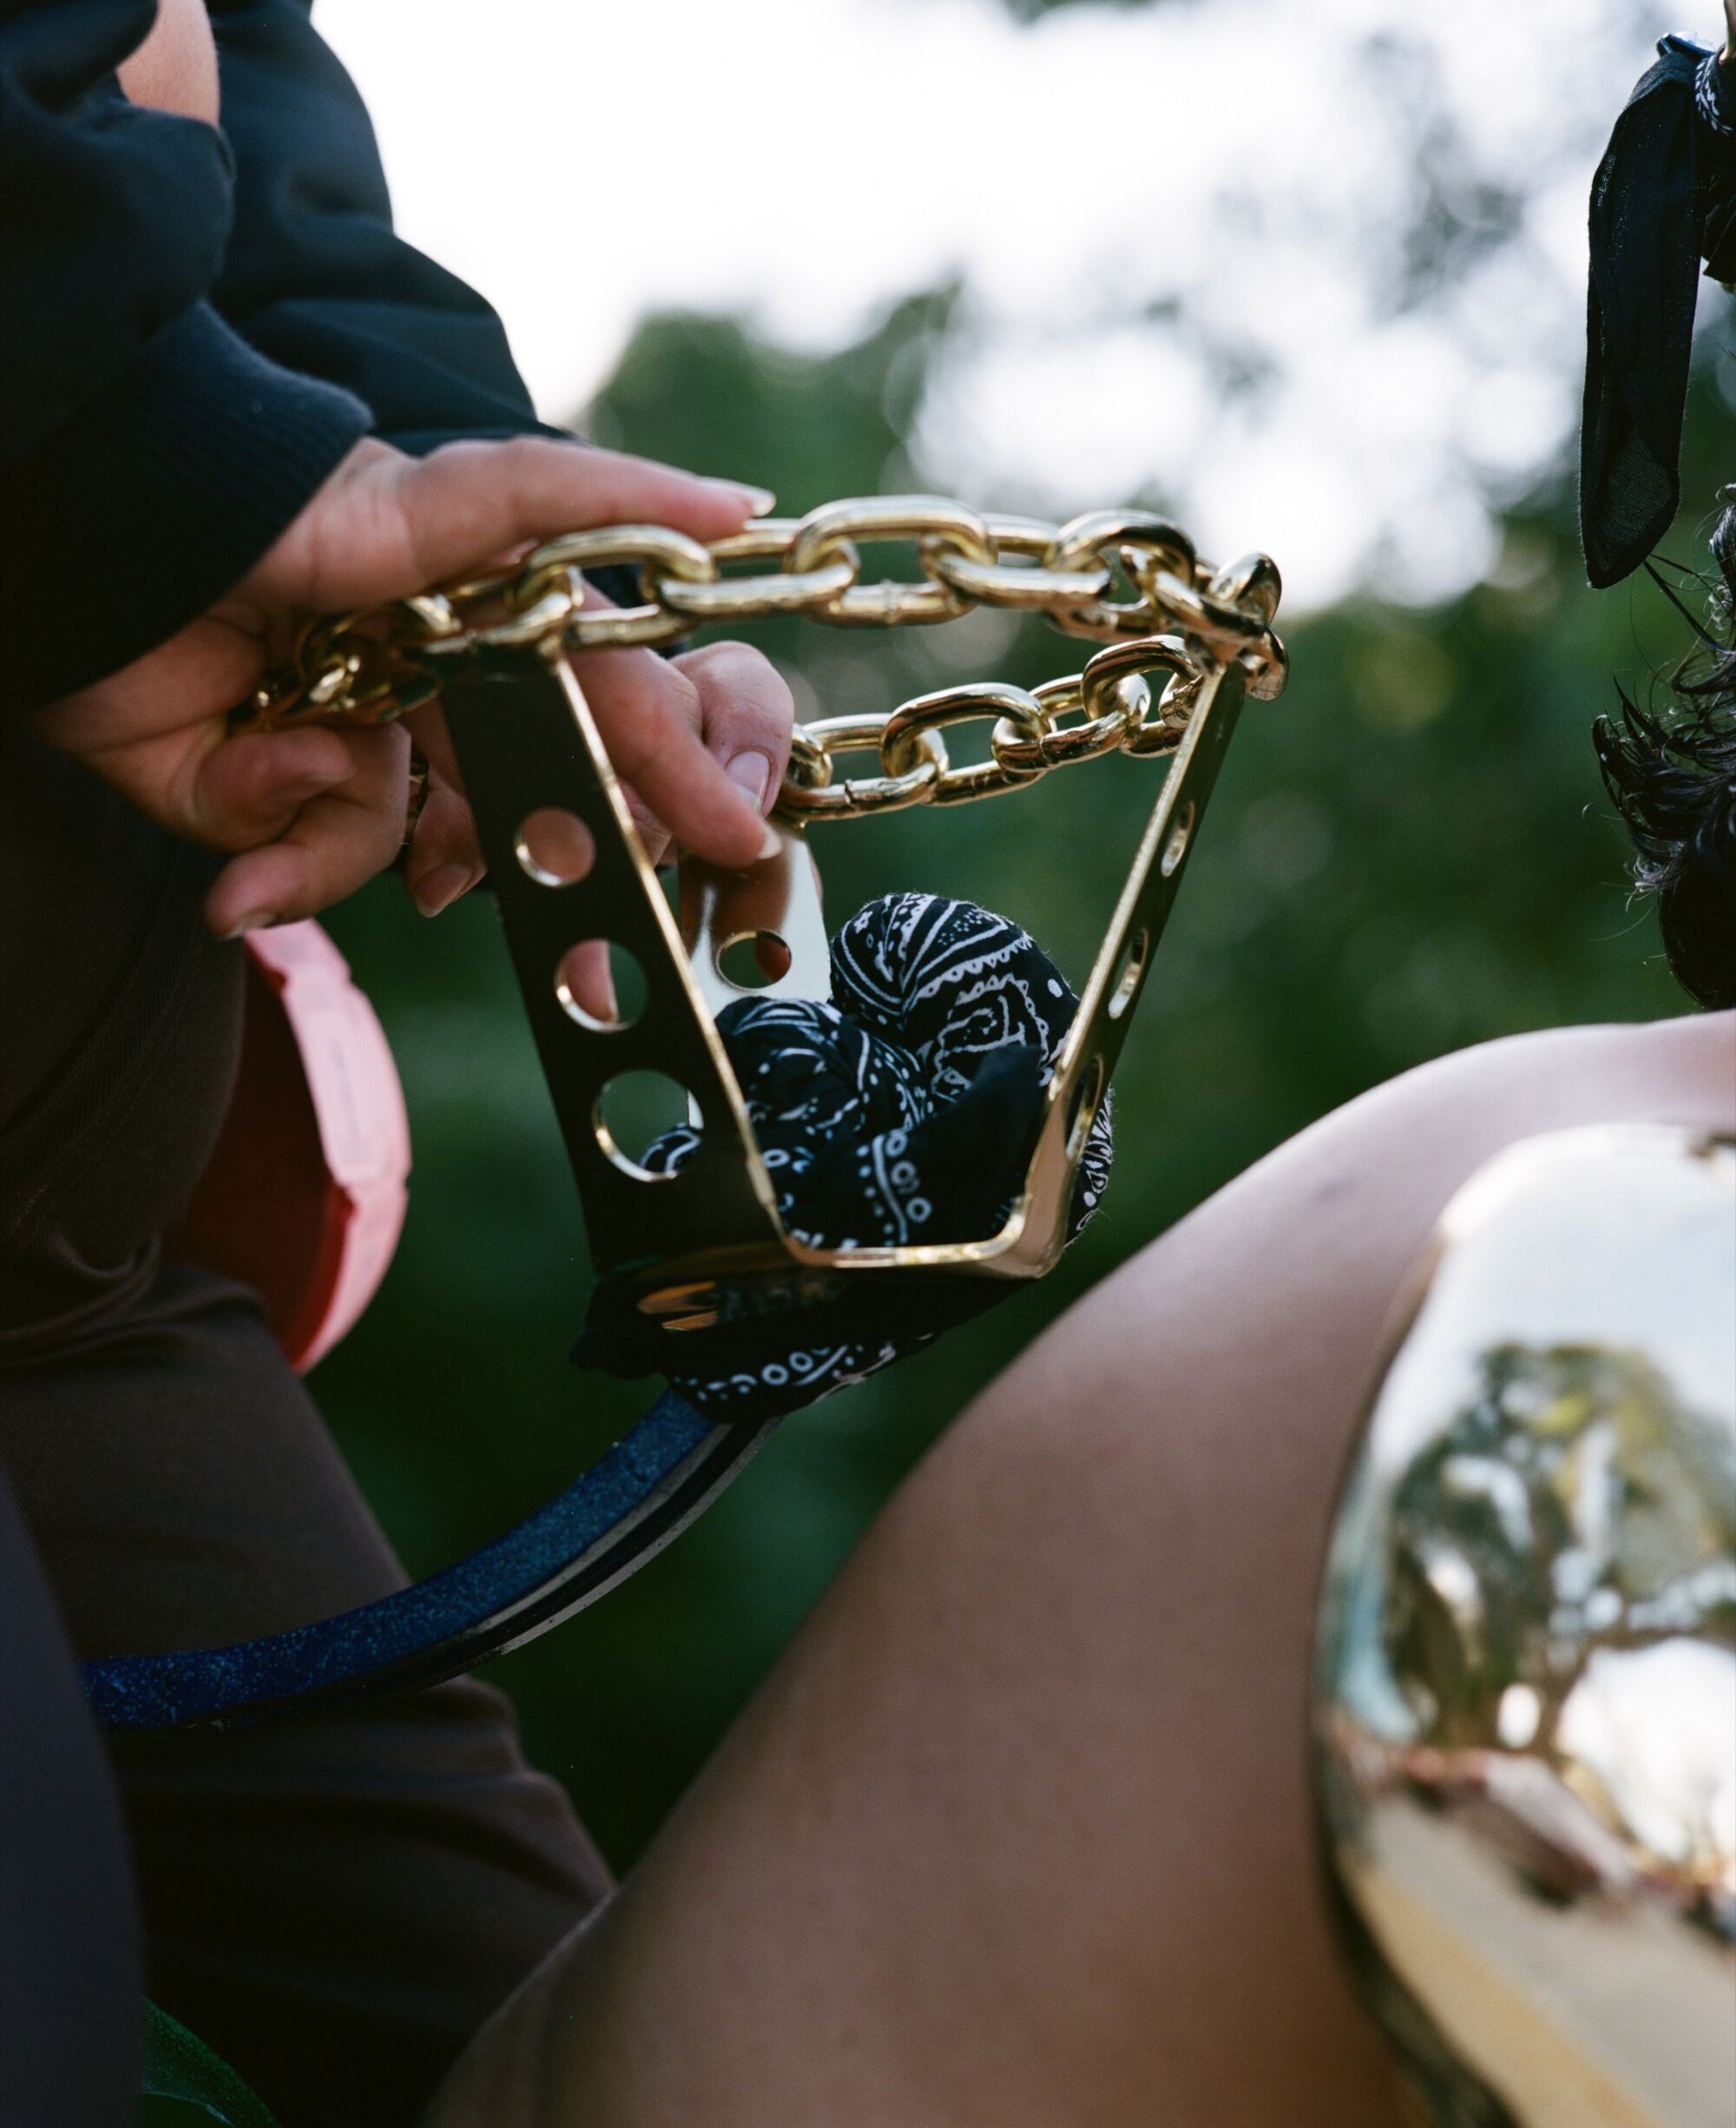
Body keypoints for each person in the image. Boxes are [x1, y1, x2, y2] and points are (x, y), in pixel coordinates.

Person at [3, 14, 1732, 2128]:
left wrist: (424, 489)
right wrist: (136, 446)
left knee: (458, 2008)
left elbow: (234, 101)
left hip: (81, 1267)